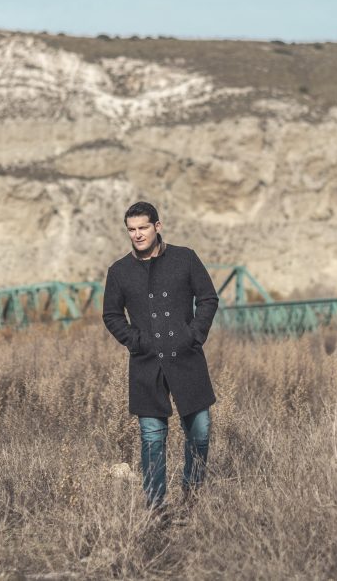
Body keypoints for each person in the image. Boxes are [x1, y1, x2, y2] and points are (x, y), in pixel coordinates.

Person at [102, 201, 219, 512]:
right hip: (146, 363)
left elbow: (208, 298)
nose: (137, 234)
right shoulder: (119, 271)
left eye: (142, 227)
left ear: (157, 226)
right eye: (131, 229)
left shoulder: (185, 258)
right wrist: (135, 341)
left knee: (201, 430)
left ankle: (191, 497)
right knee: (152, 438)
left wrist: (194, 334)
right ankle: (156, 507)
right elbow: (111, 315)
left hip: (186, 357)